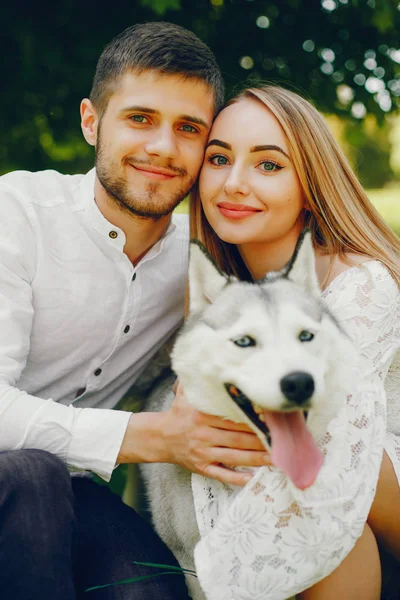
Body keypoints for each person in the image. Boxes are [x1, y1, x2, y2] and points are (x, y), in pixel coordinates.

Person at [0, 22, 271, 600]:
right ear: (91, 122)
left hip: (72, 486)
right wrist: (153, 437)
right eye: (140, 118)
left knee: (148, 586)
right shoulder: (16, 214)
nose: (163, 148)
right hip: (20, 477)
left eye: (189, 129)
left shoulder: (197, 267)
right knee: (31, 472)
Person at [188, 84, 400, 599]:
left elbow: (333, 442)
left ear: (311, 185)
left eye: (268, 165)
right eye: (219, 159)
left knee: (327, 504)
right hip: (275, 487)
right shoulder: (207, 283)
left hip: (373, 489)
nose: (234, 183)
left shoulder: (360, 284)